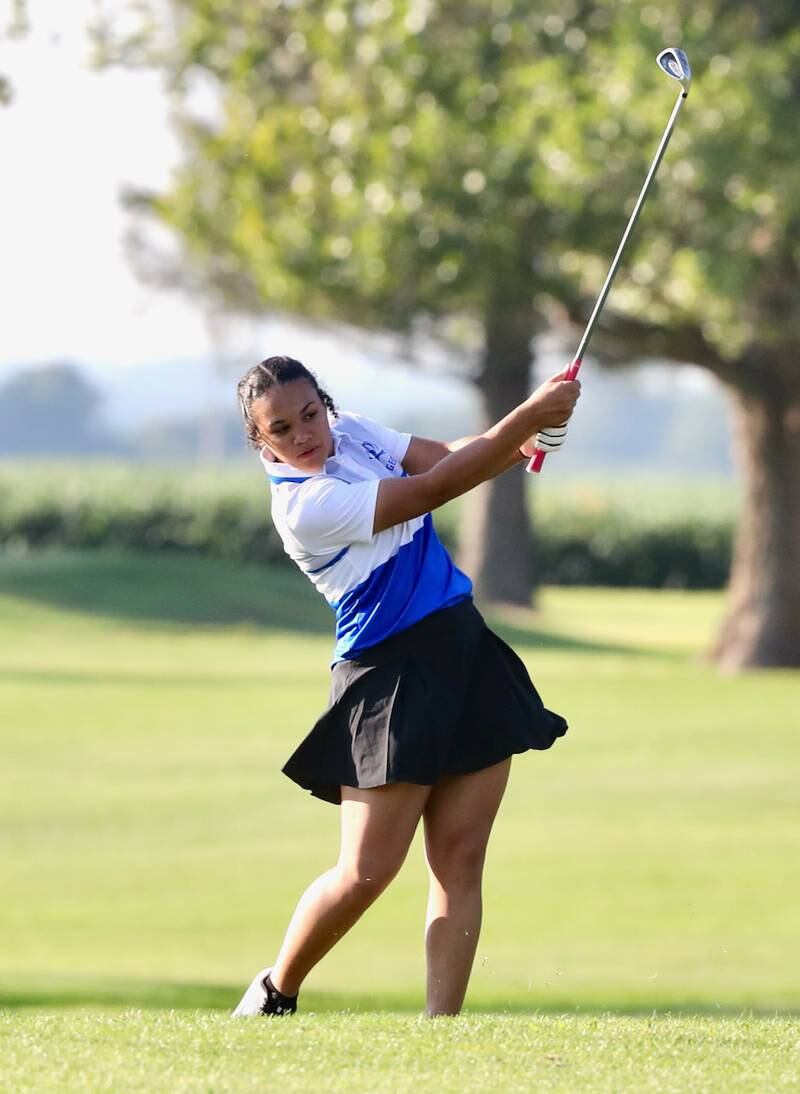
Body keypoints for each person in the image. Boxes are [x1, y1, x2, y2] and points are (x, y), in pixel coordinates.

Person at [232, 355, 580, 1018]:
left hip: (462, 647)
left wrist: (526, 438)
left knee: (461, 859)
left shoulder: (351, 430)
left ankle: (438, 1034)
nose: (305, 433)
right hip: (387, 674)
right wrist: (527, 419)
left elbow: (442, 457)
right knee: (367, 872)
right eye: (282, 427)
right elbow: (430, 491)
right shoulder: (304, 506)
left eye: (310, 413)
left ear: (323, 403)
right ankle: (277, 991)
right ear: (260, 440)